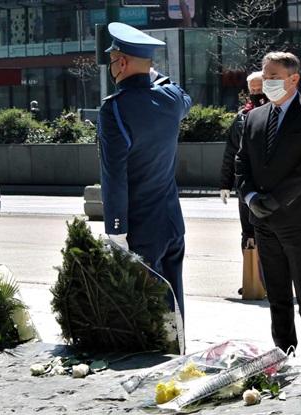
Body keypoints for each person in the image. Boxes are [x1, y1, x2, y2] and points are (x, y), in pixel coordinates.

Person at [235, 51, 301, 373]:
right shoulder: (254, 116)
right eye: (265, 75)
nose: (267, 81)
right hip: (262, 220)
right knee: (276, 293)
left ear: (294, 79)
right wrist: (249, 196)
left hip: (299, 219)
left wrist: (275, 200)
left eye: (274, 76)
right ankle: (282, 352)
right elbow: (241, 161)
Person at [98, 22, 192, 319]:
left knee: (143, 311)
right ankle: (178, 355)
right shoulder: (172, 99)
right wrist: (152, 75)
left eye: (112, 61)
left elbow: (114, 175)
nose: (111, 68)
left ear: (122, 63)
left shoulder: (114, 108)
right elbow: (182, 94)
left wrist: (116, 229)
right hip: (171, 222)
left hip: (139, 228)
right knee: (173, 304)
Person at [220, 71, 268, 249]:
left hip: (270, 182)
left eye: (260, 89)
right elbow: (230, 152)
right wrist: (225, 183)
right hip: (246, 182)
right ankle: (252, 273)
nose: (256, 93)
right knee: (248, 233)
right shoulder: (241, 117)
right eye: (252, 90)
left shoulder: (278, 113)